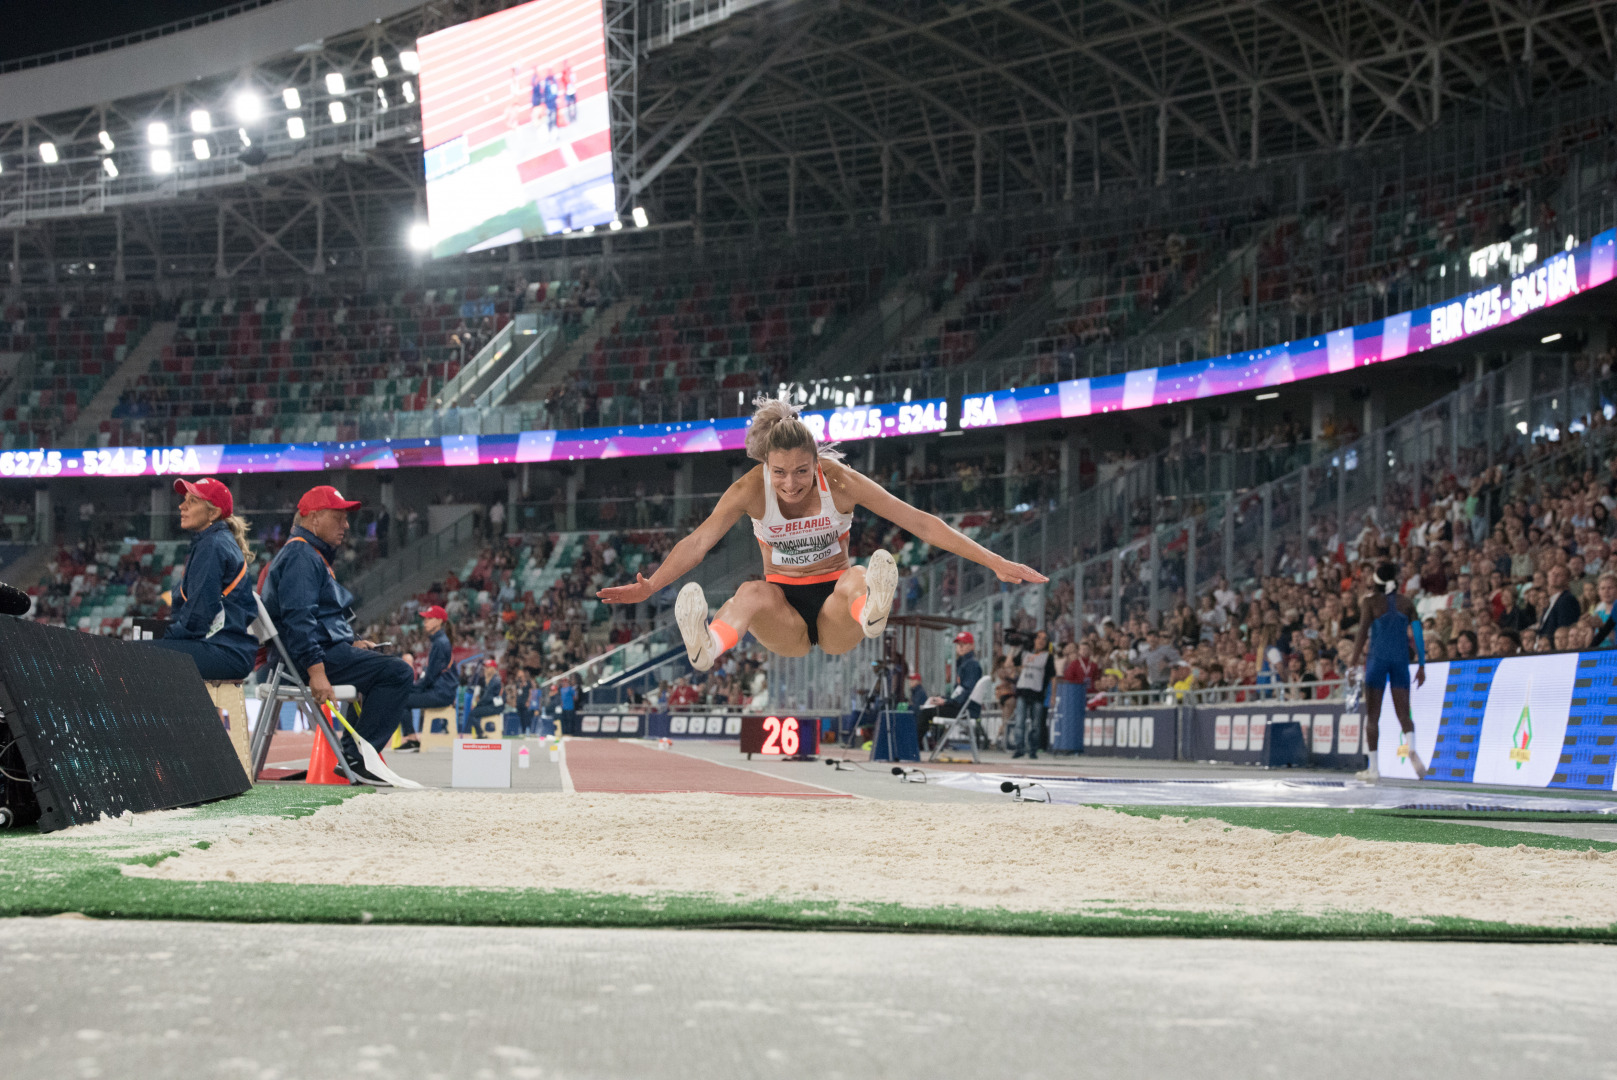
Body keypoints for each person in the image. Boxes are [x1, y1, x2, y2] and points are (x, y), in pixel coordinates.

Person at [599, 397, 1045, 673]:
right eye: (779, 473)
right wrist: (653, 586)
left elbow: (920, 522)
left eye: (801, 472)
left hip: (837, 611)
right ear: (765, 466)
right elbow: (698, 542)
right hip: (785, 614)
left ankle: (872, 611)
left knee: (855, 575)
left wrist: (995, 561)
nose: (790, 484)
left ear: (817, 463)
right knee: (749, 592)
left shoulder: (841, 482)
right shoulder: (750, 489)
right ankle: (707, 647)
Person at [260, 485, 415, 781]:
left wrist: (352, 641)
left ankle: (352, 756)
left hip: (304, 656)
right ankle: (356, 759)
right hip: (305, 661)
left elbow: (314, 619)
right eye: (339, 517)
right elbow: (299, 620)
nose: (346, 525)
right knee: (398, 673)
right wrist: (316, 671)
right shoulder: (301, 556)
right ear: (314, 518)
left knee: (379, 667)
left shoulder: (305, 554)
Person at [149, 478, 257, 681]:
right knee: (138, 650)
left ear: (213, 513)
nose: (182, 506)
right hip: (226, 647)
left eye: (193, 501)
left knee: (129, 656)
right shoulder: (215, 541)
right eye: (184, 500)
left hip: (223, 650)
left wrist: (167, 636)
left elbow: (197, 619)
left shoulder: (212, 545)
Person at [1349, 562, 1428, 781]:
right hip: (1400, 661)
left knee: (1373, 717)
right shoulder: (1406, 602)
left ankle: (1373, 769)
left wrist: (1353, 662)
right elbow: (1419, 635)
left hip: (1377, 661)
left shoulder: (1370, 602)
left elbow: (1362, 633)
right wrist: (1422, 665)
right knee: (1404, 713)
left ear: (1376, 580)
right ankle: (1411, 746)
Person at [394, 605, 456, 752]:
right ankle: (411, 738)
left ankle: (412, 739)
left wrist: (412, 688)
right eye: (425, 619)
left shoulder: (440, 643)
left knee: (401, 699)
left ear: (439, 621)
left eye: (429, 619)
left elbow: (431, 676)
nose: (425, 622)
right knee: (404, 695)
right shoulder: (440, 641)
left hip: (442, 693)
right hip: (441, 691)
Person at [1011, 629, 1056, 759]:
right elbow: (1010, 664)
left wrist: (1053, 695)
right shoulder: (1024, 653)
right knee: (1020, 721)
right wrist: (1013, 648)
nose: (1041, 641)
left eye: (1044, 639)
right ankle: (1019, 747)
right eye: (1039, 638)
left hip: (1037, 692)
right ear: (1034, 640)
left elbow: (1053, 677)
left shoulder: (1047, 656)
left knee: (1036, 723)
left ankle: (1033, 749)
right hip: (1022, 690)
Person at [1535, 565, 1582, 642]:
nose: (1555, 576)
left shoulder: (1567, 600)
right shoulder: (1549, 601)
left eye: (1559, 575)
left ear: (1567, 580)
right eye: (1553, 573)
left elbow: (1564, 627)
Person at [468, 658, 504, 733]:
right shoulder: (490, 679)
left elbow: (487, 697)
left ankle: (481, 734)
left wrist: (478, 704)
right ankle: (480, 733)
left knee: (472, 713)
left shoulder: (495, 680)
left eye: (488, 667)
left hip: (495, 707)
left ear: (493, 669)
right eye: (485, 667)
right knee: (474, 712)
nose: (485, 669)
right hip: (492, 705)